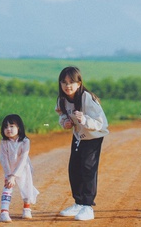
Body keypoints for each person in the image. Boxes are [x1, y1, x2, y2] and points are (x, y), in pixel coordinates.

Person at [55, 66, 109, 221]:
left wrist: (84, 119)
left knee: (88, 168)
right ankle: (78, 202)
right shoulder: (62, 99)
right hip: (79, 136)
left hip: (93, 136)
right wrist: (65, 121)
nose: (67, 85)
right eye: (64, 82)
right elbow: (61, 114)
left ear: (79, 83)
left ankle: (87, 206)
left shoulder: (87, 98)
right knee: (74, 168)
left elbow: (101, 123)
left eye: (72, 82)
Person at [0, 114, 40, 223]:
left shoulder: (25, 141)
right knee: (7, 186)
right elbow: (3, 159)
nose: (8, 129)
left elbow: (23, 159)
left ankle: (27, 208)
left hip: (23, 168)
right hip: (9, 169)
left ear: (19, 128)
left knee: (26, 187)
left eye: (12, 126)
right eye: (5, 127)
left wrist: (15, 175)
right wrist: (9, 175)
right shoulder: (4, 142)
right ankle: (4, 212)